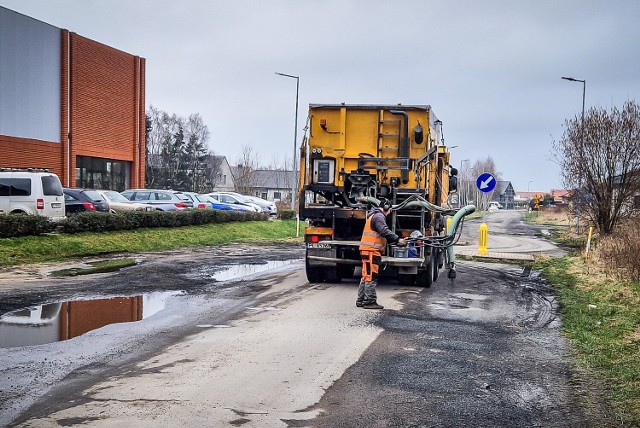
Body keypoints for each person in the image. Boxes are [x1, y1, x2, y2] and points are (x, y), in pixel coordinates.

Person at [356, 198, 407, 309]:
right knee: (371, 276)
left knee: (366, 276)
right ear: (386, 208)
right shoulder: (379, 217)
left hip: (367, 249)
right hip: (371, 250)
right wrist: (397, 239)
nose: (389, 213)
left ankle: (361, 300)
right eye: (389, 210)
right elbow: (383, 230)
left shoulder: (373, 215)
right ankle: (369, 301)